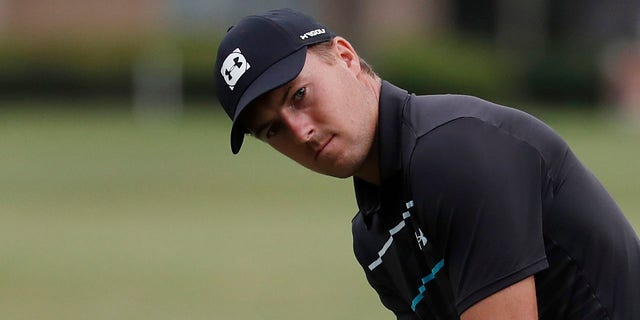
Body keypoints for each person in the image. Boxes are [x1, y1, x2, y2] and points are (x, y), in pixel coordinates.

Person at [214, 8, 640, 320]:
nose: (299, 132)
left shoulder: (456, 151)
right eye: (272, 130)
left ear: (345, 57)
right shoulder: (373, 236)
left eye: (299, 96)